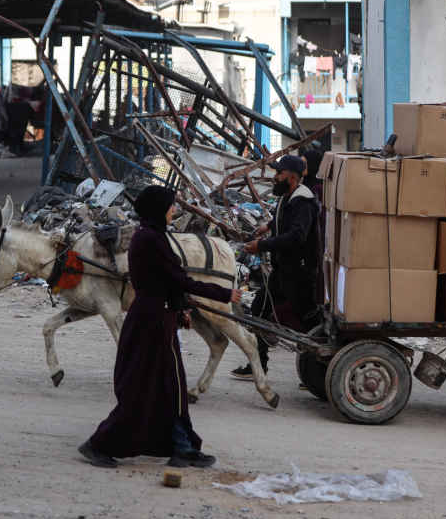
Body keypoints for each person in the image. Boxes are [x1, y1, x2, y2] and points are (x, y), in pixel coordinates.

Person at [78, 186, 243, 469]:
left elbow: (164, 282)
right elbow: (178, 280)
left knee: (173, 389)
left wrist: (180, 311)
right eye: (170, 206)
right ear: (158, 209)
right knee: (142, 391)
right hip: (150, 325)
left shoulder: (153, 237)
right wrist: (223, 294)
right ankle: (99, 444)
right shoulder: (151, 240)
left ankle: (184, 447)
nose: (174, 211)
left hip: (159, 319)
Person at [231, 155, 321, 380]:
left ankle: (322, 369)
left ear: (291, 176)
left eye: (279, 173)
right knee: (260, 309)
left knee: (309, 320)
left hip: (299, 273)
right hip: (283, 270)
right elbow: (283, 219)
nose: (275, 177)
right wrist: (267, 227)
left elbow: (297, 236)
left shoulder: (304, 201)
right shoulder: (288, 196)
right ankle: (258, 365)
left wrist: (262, 245)